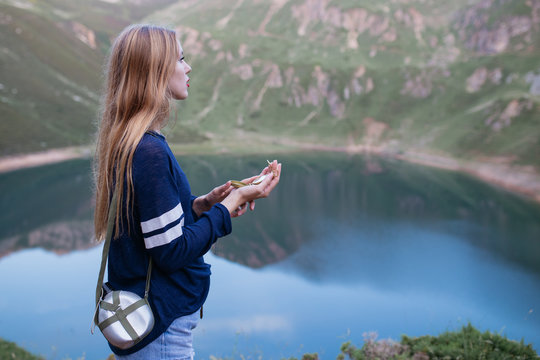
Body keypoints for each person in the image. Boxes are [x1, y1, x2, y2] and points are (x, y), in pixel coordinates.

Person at [93, 24, 281, 359]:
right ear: (156, 71)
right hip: (161, 330)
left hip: (150, 323)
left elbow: (150, 227)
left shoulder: (128, 141)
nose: (188, 67)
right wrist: (231, 204)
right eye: (180, 59)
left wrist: (206, 204)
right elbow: (171, 251)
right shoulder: (149, 151)